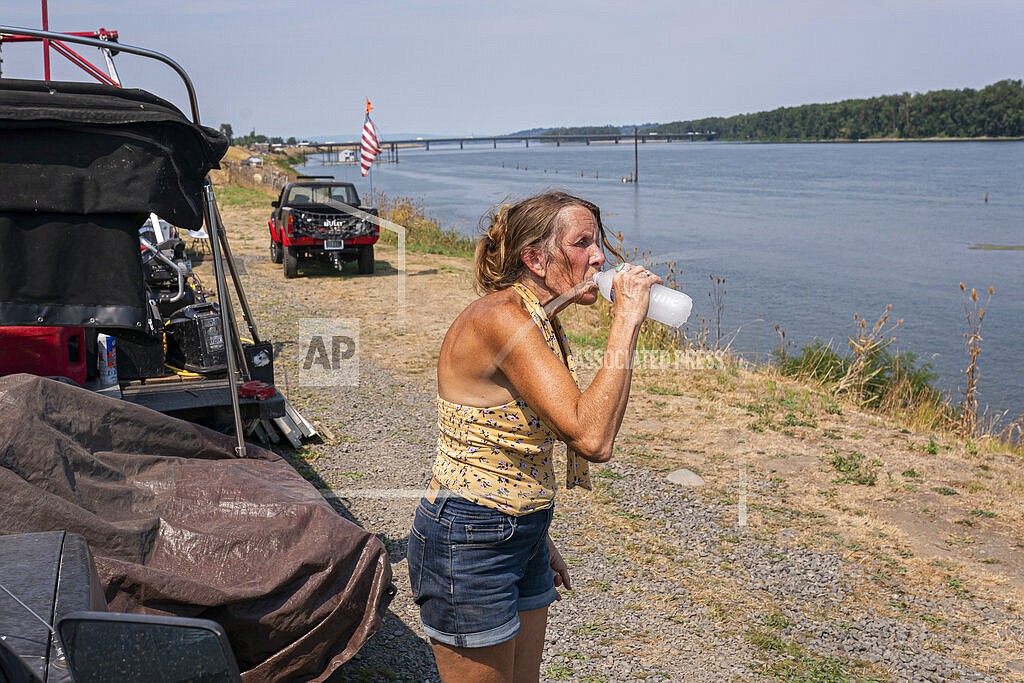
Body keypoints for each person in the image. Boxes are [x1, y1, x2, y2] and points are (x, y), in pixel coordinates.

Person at [407, 191, 662, 683]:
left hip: (520, 530)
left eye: (599, 242)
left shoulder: (540, 316)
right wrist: (626, 322)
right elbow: (592, 439)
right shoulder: (502, 319)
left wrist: (535, 538)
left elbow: (521, 439)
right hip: (471, 535)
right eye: (582, 243)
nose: (600, 257)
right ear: (537, 259)